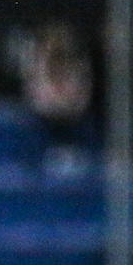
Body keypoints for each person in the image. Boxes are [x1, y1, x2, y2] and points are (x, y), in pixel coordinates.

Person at [21, 20, 94, 177]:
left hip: (72, 114)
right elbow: (34, 93)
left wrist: (71, 105)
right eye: (54, 40)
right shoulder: (39, 63)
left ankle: (71, 155)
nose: (58, 43)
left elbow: (83, 91)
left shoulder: (77, 64)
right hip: (46, 114)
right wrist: (55, 104)